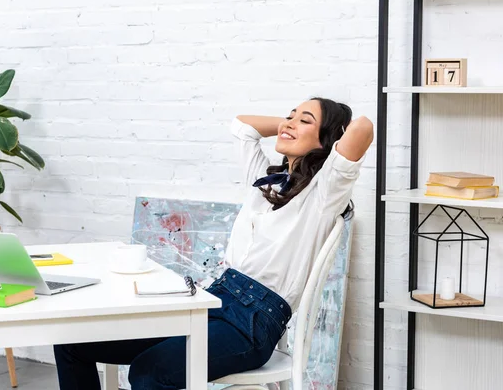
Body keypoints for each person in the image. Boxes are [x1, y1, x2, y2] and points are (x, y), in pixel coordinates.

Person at [53, 97, 374, 390]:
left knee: (149, 372)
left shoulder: (324, 193)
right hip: (212, 299)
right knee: (71, 345)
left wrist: (322, 134)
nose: (289, 123)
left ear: (328, 139)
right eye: (289, 116)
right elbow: (243, 126)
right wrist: (292, 125)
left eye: (304, 120)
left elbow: (363, 128)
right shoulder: (266, 178)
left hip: (252, 322)